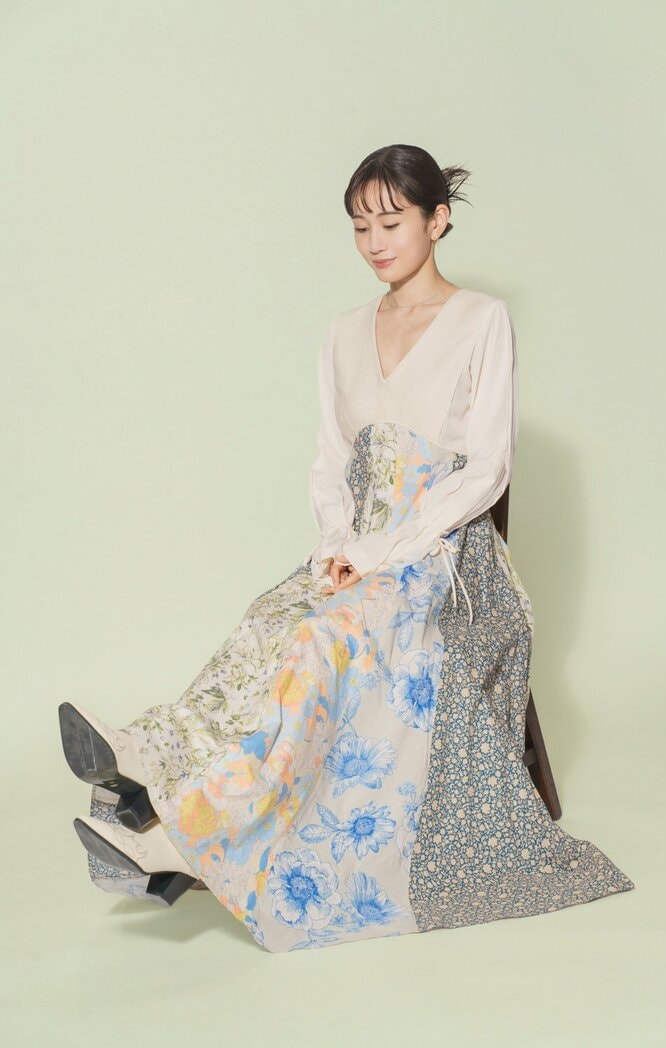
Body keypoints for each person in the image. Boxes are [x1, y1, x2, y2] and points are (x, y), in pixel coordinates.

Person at [59, 143, 635, 952]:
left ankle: (184, 845)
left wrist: (384, 551)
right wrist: (339, 543)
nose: (374, 242)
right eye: (360, 226)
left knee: (322, 638)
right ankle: (144, 756)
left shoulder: (481, 320)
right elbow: (331, 462)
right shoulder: (342, 333)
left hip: (445, 555)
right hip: (358, 544)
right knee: (269, 623)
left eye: (391, 222)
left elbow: (487, 470)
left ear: (438, 220)